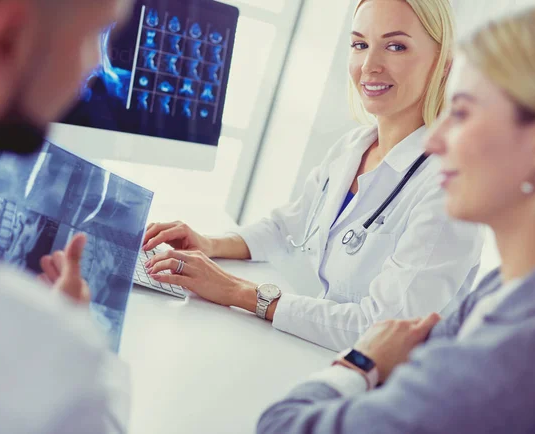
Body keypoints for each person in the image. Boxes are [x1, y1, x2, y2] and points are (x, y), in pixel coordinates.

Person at [256, 4, 535, 433]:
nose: (433, 140)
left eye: (464, 112)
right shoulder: (515, 287)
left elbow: (281, 426)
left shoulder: (519, 360)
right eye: (359, 44)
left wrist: (358, 363)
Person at [143, 0, 484, 352]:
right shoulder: (353, 147)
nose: (369, 65)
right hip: (315, 354)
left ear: (444, 63)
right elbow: (287, 226)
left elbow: (382, 329)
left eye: (395, 46)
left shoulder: (452, 186)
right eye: (359, 44)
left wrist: (236, 291)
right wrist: (211, 244)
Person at [0, 0, 135, 433]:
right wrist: (73, 330)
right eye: (94, 35)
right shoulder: (55, 359)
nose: (95, 66)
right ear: (8, 30)